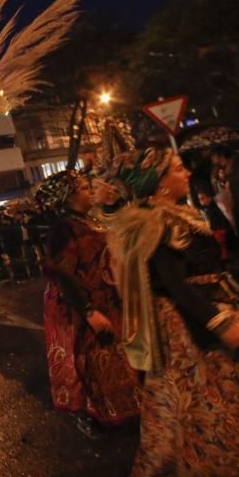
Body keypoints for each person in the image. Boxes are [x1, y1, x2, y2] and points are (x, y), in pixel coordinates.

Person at [108, 148, 239, 477]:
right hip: (187, 320)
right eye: (177, 169)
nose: (186, 173)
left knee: (237, 389)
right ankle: (223, 470)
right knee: (212, 398)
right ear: (160, 184)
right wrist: (218, 324)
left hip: (207, 307)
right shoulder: (154, 221)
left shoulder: (173, 213)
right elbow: (175, 284)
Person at [35, 171, 140, 439]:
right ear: (68, 197)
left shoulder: (91, 218)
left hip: (107, 300)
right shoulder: (63, 228)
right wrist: (88, 311)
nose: (89, 190)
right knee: (86, 362)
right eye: (83, 187)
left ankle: (123, 408)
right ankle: (89, 414)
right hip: (80, 306)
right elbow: (62, 274)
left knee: (113, 358)